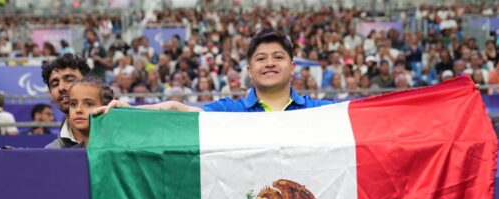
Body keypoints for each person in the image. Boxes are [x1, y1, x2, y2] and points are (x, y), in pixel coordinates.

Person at [94, 29, 334, 114]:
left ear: (292, 67)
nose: (270, 63)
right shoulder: (230, 110)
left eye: (278, 57)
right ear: (250, 70)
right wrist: (129, 111)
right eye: (261, 58)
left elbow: (362, 114)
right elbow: (176, 108)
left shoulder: (315, 110)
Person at [41, 54, 91, 148]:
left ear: (89, 83)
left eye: (69, 80)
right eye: (55, 84)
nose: (61, 88)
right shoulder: (51, 151)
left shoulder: (118, 133)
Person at [64, 75, 115, 148]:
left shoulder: (120, 150)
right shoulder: (61, 152)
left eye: (88, 104)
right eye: (73, 104)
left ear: (106, 107)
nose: (78, 110)